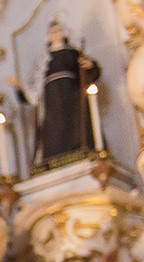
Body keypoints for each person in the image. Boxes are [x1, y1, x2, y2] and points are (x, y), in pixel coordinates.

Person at [10, 20, 101, 167]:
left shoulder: (72, 52)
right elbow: (34, 92)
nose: (56, 34)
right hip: (51, 99)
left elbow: (87, 73)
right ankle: (54, 157)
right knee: (54, 129)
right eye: (53, 32)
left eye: (59, 30)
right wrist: (19, 88)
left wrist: (90, 66)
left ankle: (78, 149)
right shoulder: (43, 60)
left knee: (75, 123)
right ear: (48, 36)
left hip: (71, 95)